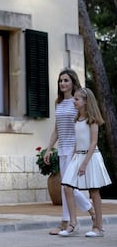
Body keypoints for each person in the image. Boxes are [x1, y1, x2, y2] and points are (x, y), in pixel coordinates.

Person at [43, 68, 95, 235]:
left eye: (66, 80)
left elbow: (81, 126)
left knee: (68, 186)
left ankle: (69, 221)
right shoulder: (58, 103)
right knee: (66, 186)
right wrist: (49, 149)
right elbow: (57, 129)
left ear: (73, 82)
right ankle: (71, 219)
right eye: (60, 81)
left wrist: (77, 149)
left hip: (75, 149)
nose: (62, 83)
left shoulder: (77, 101)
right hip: (63, 149)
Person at [59, 88, 112, 237]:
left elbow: (93, 142)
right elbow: (79, 140)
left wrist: (84, 164)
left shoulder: (92, 119)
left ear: (86, 102)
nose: (74, 102)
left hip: (91, 157)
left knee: (94, 192)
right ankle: (73, 224)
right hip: (78, 156)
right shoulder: (77, 119)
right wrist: (75, 157)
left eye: (77, 99)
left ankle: (99, 227)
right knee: (67, 186)